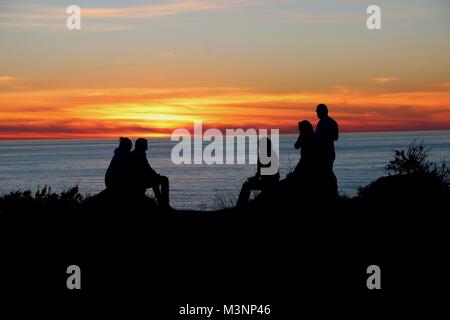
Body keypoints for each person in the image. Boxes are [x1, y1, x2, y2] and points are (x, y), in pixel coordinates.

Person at [236, 137, 280, 207]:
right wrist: (255, 178)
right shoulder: (271, 154)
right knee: (247, 185)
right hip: (271, 181)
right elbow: (261, 171)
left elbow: (262, 172)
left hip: (268, 183)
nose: (259, 147)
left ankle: (240, 206)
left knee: (246, 185)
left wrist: (255, 178)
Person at [128, 138, 170, 208]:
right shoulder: (140, 154)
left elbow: (146, 168)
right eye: (145, 145)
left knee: (155, 181)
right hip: (139, 181)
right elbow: (146, 168)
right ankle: (164, 203)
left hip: (136, 180)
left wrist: (154, 175)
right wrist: (155, 175)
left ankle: (161, 202)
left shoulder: (133, 153)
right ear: (142, 145)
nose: (147, 147)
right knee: (164, 180)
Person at [315, 104, 339, 172]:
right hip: (330, 152)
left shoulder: (322, 122)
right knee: (328, 172)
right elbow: (336, 137)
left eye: (318, 112)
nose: (317, 114)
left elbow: (318, 138)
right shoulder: (333, 122)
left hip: (323, 154)